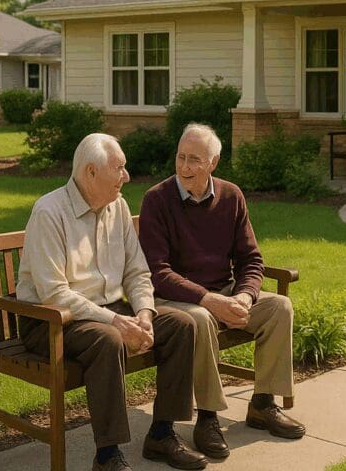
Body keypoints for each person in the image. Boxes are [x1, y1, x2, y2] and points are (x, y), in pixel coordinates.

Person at [16, 134, 206, 471]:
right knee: (109, 339)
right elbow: (54, 294)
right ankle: (107, 455)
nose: (127, 176)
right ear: (91, 172)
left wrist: (145, 314)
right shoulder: (49, 212)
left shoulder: (117, 207)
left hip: (107, 312)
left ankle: (162, 434)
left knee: (180, 324)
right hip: (50, 321)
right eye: (119, 168)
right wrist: (116, 322)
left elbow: (136, 271)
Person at [138, 123, 302, 462]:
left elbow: (251, 259)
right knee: (201, 319)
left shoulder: (231, 196)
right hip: (178, 299)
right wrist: (209, 299)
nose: (185, 167)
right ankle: (208, 419)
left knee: (279, 307)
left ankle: (262, 405)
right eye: (180, 157)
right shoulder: (157, 199)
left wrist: (244, 297)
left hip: (225, 292)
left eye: (195, 160)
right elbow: (157, 272)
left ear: (213, 162)